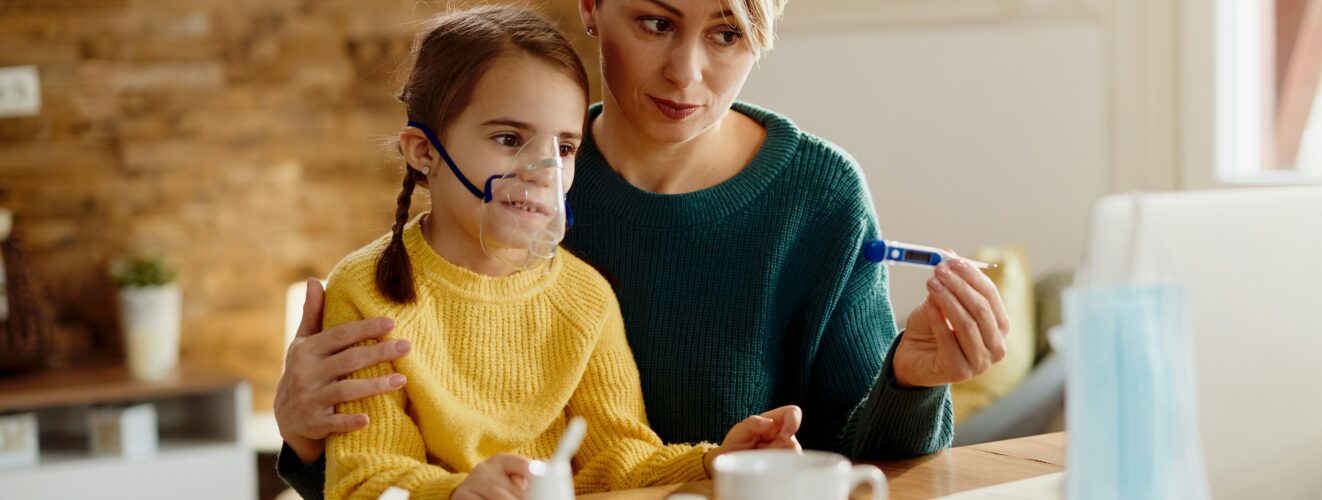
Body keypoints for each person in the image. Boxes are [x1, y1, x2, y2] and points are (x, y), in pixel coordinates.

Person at [277, 0, 1013, 497]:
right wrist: (307, 440)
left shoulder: (818, 198)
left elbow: (862, 471)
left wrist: (912, 381)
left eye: (727, 33)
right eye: (656, 23)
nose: (686, 74)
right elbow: (370, 472)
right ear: (592, 6)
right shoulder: (482, 191)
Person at [314, 6, 800, 499]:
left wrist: (714, 461)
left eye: (564, 148)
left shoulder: (584, 297)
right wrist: (456, 493)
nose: (542, 171)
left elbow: (621, 459)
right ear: (424, 151)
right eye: (509, 139)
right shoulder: (367, 292)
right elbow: (364, 478)